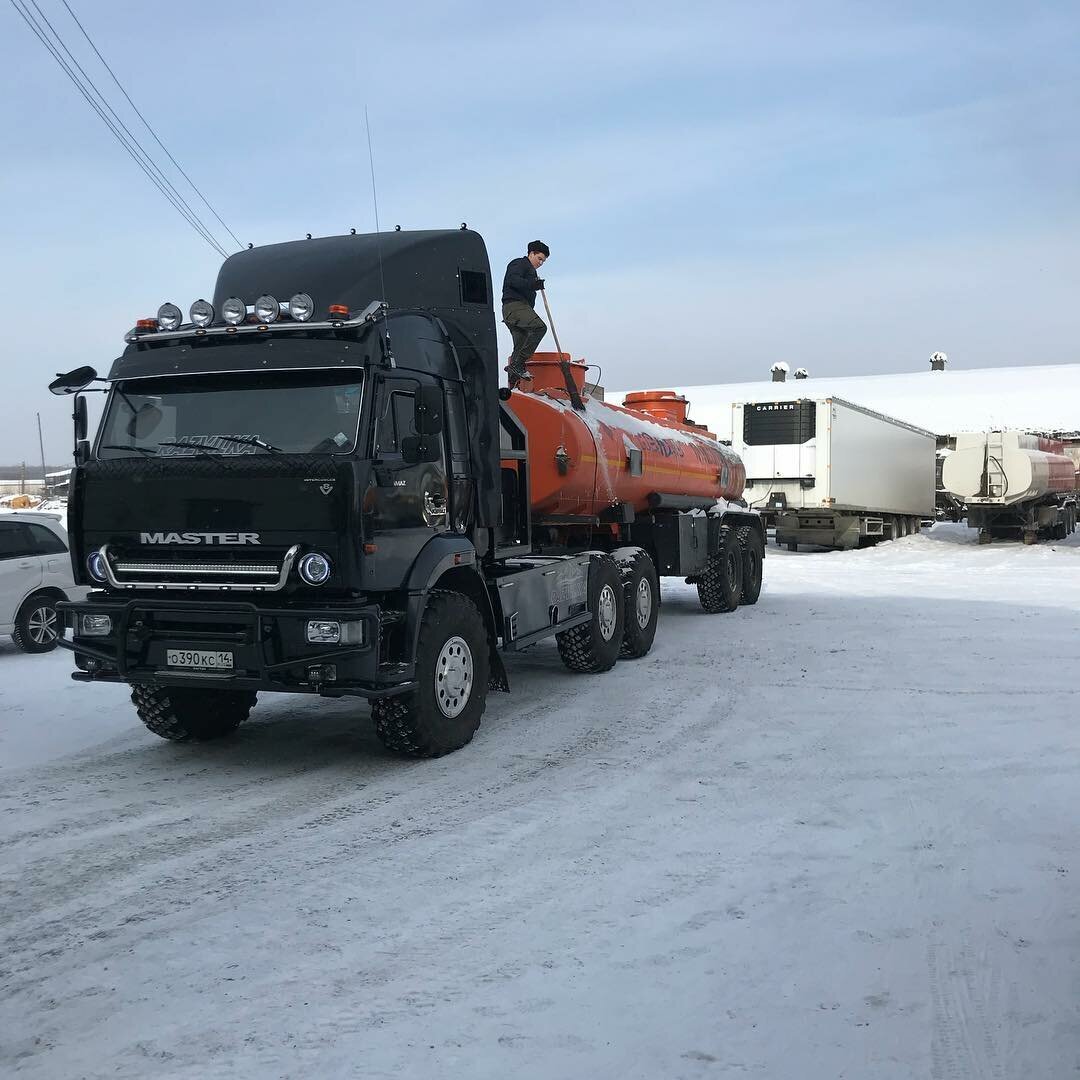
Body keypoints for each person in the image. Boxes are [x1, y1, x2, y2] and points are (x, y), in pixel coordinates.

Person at [501, 240, 550, 385]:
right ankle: (517, 365)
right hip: (514, 306)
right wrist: (533, 284)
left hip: (517, 309)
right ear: (531, 253)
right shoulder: (519, 264)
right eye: (539, 258)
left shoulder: (531, 271)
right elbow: (513, 280)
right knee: (540, 328)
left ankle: (513, 385)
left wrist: (533, 284)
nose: (541, 263)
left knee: (521, 343)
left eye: (543, 261)